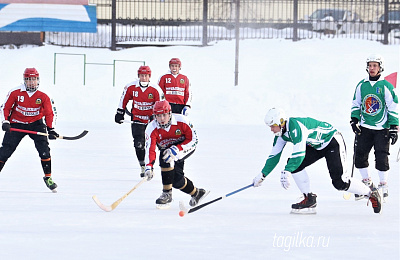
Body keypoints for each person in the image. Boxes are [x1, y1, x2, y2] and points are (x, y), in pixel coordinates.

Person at [253, 108, 382, 214]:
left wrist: (287, 171)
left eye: (273, 126)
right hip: (316, 145)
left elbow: (299, 153)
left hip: (331, 141)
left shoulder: (296, 127)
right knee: (295, 166)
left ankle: (370, 193)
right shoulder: (280, 134)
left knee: (340, 183)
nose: (271, 130)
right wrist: (262, 175)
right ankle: (309, 198)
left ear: (281, 122)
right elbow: (274, 156)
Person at [0, 68, 59, 192]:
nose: (32, 82)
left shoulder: (44, 95)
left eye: (34, 79)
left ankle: (48, 178)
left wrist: (51, 129)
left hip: (36, 124)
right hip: (17, 123)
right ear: (24, 80)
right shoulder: (15, 92)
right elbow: (5, 107)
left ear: (38, 80)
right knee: (5, 151)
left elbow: (50, 113)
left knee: (44, 151)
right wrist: (5, 121)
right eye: (28, 80)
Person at [350, 54, 399, 200]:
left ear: (380, 68)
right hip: (365, 127)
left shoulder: (386, 86)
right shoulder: (362, 85)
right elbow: (356, 104)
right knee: (359, 156)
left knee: (381, 157)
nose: (372, 68)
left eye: (375, 66)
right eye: (370, 65)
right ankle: (367, 183)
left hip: (382, 128)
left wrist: (393, 127)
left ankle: (383, 185)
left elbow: (393, 107)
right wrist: (354, 120)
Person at [144, 100, 208, 209]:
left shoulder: (182, 121)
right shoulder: (151, 128)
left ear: (170, 113)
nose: (162, 119)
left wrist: (177, 149)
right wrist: (148, 167)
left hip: (185, 146)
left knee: (171, 167)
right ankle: (194, 193)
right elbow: (150, 148)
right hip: (167, 148)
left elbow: (194, 140)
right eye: (158, 116)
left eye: (164, 115)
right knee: (173, 175)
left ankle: (170, 193)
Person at [115, 65, 165, 177]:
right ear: (138, 76)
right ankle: (143, 166)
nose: (143, 78)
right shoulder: (131, 86)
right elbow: (124, 99)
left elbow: (161, 105)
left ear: (149, 76)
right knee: (139, 144)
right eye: (142, 75)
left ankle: (160, 166)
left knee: (157, 143)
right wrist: (120, 112)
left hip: (151, 121)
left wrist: (156, 117)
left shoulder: (155, 89)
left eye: (146, 76)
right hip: (137, 119)